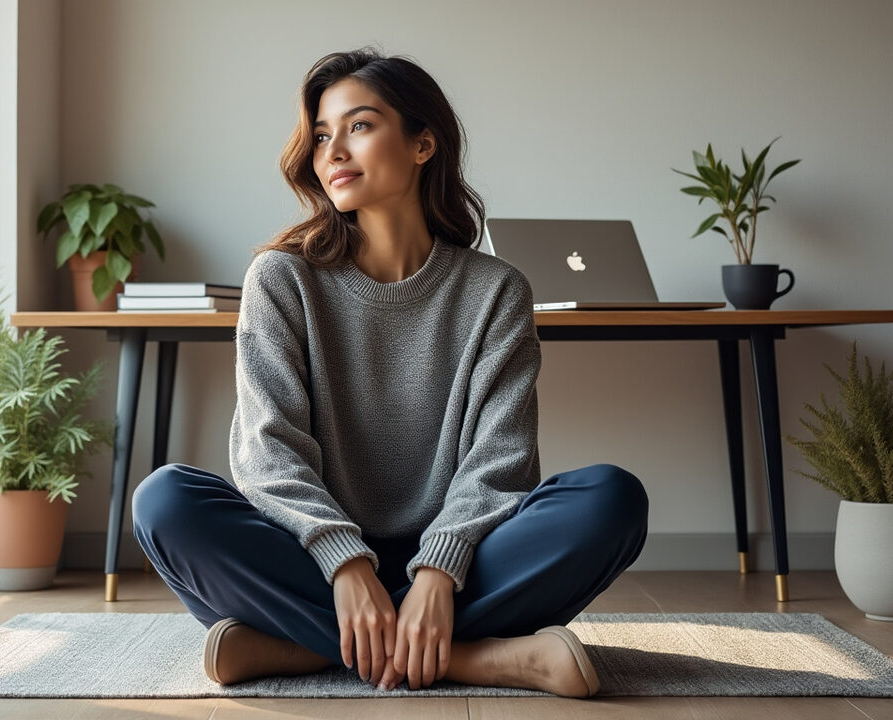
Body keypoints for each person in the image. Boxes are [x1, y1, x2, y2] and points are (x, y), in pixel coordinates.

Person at [132, 47, 648, 698]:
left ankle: (299, 647)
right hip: (315, 558)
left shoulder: (495, 291)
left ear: (424, 143)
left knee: (612, 498)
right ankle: (476, 659)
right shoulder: (282, 279)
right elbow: (269, 455)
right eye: (321, 135)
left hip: (464, 561)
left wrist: (436, 573)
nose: (333, 151)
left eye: (359, 125)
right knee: (166, 500)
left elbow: (502, 461)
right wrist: (345, 563)